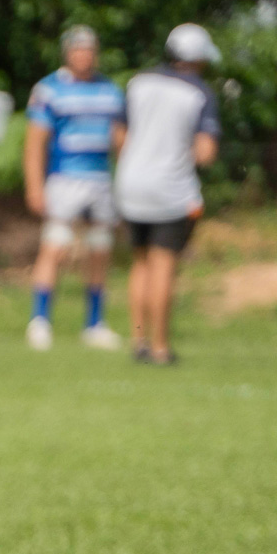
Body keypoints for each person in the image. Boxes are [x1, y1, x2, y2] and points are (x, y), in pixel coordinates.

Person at [115, 23, 222, 365]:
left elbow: (119, 135)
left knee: (140, 263)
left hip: (130, 184)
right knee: (163, 265)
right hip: (171, 190)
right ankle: (161, 347)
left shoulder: (137, 82)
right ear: (198, 58)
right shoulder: (200, 94)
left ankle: (138, 340)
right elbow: (205, 152)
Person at [22, 26, 127, 352]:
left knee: (99, 248)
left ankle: (94, 323)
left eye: (90, 49)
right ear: (68, 52)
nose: (84, 55)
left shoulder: (110, 91)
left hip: (100, 179)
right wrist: (35, 186)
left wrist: (126, 180)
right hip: (65, 176)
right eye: (78, 49)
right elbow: (35, 142)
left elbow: (120, 140)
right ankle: (40, 320)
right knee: (56, 246)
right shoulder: (49, 89)